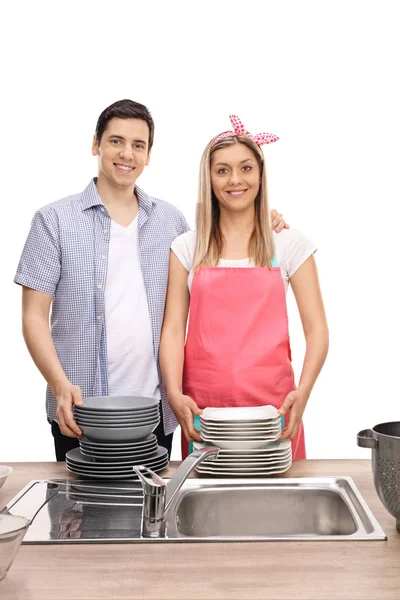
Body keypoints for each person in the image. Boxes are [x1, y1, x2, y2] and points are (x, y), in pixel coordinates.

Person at [14, 101, 287, 461]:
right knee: (79, 513)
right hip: (80, 409)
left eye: (138, 145)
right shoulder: (53, 221)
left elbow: (217, 248)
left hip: (157, 409)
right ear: (95, 144)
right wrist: (60, 385)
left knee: (154, 511)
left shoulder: (170, 222)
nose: (127, 153)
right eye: (116, 141)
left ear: (148, 154)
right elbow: (34, 317)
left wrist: (258, 218)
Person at [159, 115, 329, 460]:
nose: (235, 180)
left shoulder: (289, 244)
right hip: (204, 412)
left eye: (246, 168)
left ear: (261, 174)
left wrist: (304, 392)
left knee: (275, 509)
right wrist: (175, 394)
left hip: (275, 411)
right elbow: (174, 330)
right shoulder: (187, 247)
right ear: (208, 178)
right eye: (222, 170)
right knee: (205, 510)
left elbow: (317, 330)